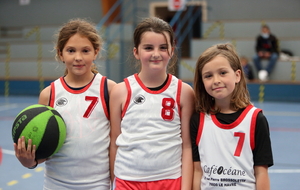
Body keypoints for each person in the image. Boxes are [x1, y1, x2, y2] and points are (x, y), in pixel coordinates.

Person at [14, 18, 116, 189]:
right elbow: (45, 147)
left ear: (96, 52)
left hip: (97, 185)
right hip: (56, 184)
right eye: (71, 50)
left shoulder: (109, 89)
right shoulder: (49, 94)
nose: (78, 57)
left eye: (85, 50)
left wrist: (115, 183)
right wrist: (29, 161)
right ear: (60, 53)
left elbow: (115, 144)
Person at [109, 17, 194, 190]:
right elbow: (114, 141)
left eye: (163, 47)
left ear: (171, 51)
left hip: (170, 180)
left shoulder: (184, 92)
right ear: (136, 52)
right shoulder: (120, 91)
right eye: (148, 48)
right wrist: (113, 180)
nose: (156, 53)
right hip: (128, 180)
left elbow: (187, 145)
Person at [191, 43, 273, 190]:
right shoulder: (198, 120)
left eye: (222, 73)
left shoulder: (255, 119)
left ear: (237, 75)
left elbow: (261, 173)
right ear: (202, 82)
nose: (216, 80)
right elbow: (197, 171)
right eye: (208, 76)